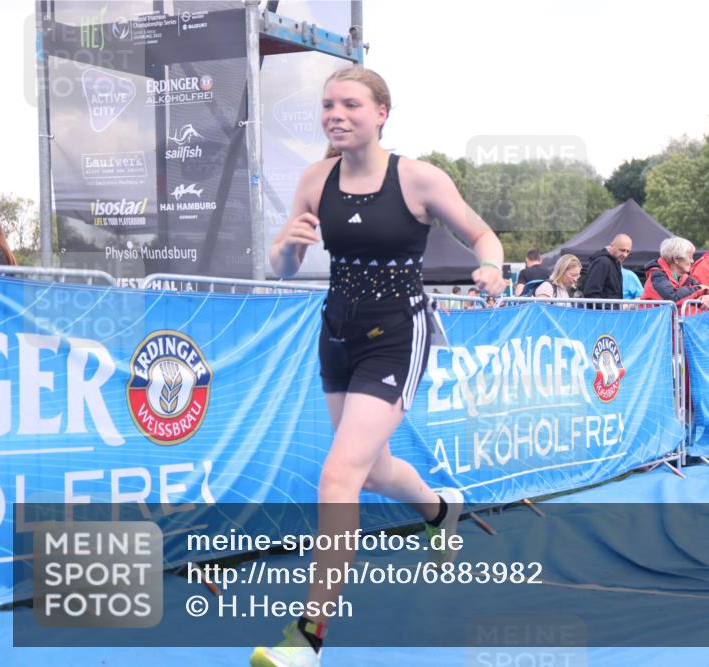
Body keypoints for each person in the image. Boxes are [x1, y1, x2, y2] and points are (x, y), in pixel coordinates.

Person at [251, 66, 506, 667]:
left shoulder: (418, 178)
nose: (335, 115)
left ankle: (308, 638)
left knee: (338, 475)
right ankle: (440, 509)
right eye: (327, 105)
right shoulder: (315, 180)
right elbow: (283, 267)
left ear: (382, 113)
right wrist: (286, 246)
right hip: (337, 332)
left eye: (350, 105)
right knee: (372, 471)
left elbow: (482, 235)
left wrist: (493, 268)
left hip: (396, 335)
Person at [640, 237, 709, 309]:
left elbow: (708, 291)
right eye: (690, 257)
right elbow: (672, 298)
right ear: (676, 259)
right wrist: (700, 289)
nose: (692, 261)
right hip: (652, 316)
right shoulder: (657, 276)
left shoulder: (682, 277)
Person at [583, 234, 632, 301]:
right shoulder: (602, 262)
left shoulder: (614, 262)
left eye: (628, 251)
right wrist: (607, 307)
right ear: (612, 245)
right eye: (622, 250)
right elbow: (591, 293)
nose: (625, 255)